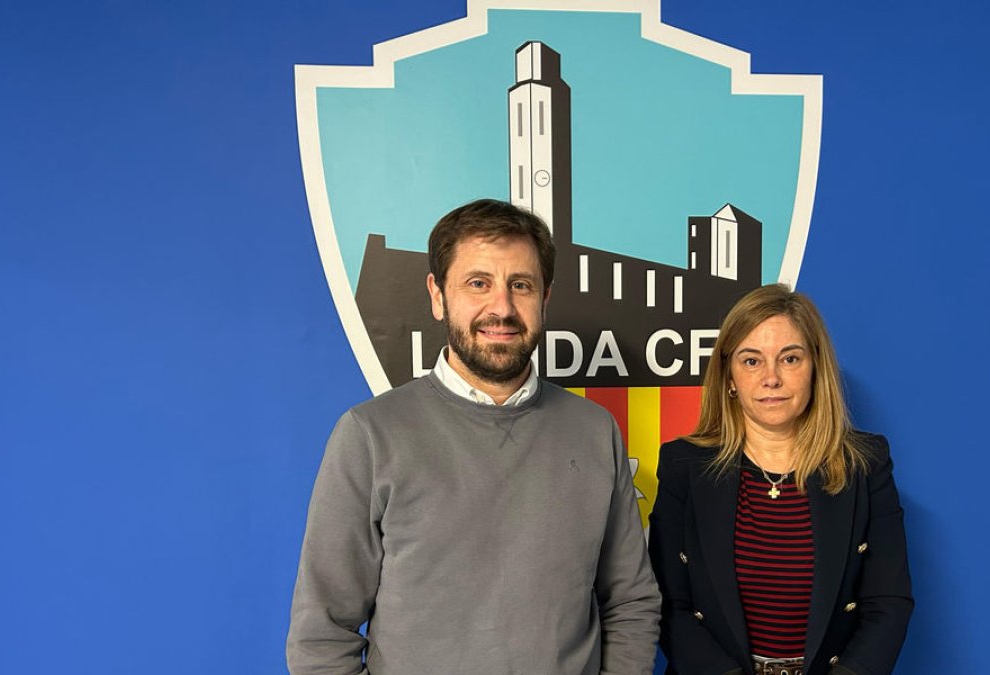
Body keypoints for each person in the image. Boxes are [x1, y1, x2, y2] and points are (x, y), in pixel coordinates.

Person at [287, 199, 660, 674]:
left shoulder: (593, 430)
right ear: (438, 295)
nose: (501, 308)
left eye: (520, 285)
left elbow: (630, 601)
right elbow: (321, 637)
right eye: (478, 283)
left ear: (545, 298)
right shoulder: (370, 436)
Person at [648, 284, 912, 675]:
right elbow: (669, 603)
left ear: (815, 368)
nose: (771, 378)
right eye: (751, 361)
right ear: (729, 377)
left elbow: (887, 603)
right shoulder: (684, 464)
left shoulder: (864, 463)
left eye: (789, 359)